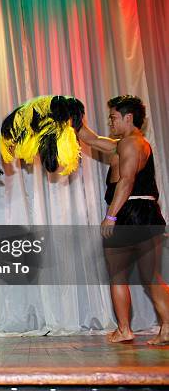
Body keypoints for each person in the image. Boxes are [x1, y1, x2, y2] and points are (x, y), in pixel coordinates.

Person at [77, 95, 168, 345]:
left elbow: (126, 181)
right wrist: (72, 116)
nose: (110, 121)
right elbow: (92, 139)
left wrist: (111, 216)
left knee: (117, 274)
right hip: (148, 213)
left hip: (129, 213)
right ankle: (167, 328)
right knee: (151, 277)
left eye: (114, 117)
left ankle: (125, 329)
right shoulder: (129, 144)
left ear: (129, 118)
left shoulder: (129, 144)